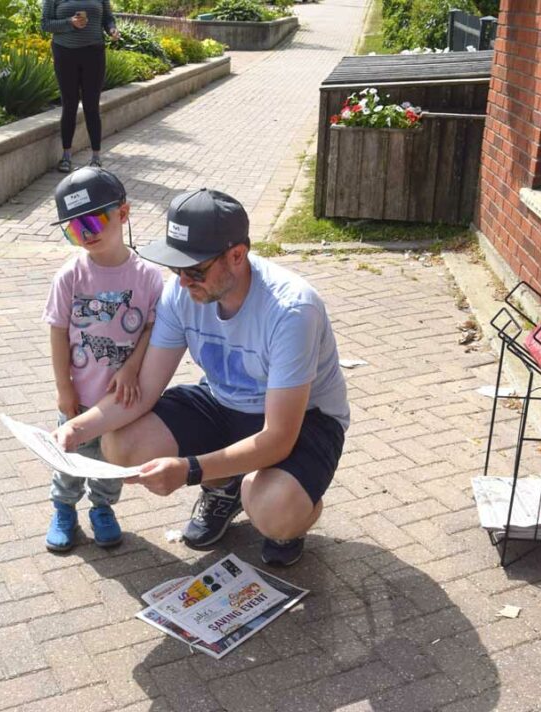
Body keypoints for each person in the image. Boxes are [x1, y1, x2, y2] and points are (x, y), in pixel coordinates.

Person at [55, 188, 349, 566]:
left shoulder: (292, 310)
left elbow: (278, 437)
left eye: (194, 271)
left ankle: (295, 508)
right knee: (120, 444)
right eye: (176, 269)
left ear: (237, 256)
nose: (182, 282)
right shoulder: (181, 295)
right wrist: (78, 429)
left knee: (273, 510)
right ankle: (225, 490)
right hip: (223, 401)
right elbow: (143, 390)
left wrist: (190, 470)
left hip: (305, 418)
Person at [42, 167, 163, 552]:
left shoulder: (147, 277)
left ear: (123, 214)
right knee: (69, 460)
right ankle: (63, 509)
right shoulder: (70, 276)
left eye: (94, 220)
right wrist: (64, 389)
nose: (86, 233)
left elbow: (151, 329)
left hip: (119, 401)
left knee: (110, 463)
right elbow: (58, 331)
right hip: (78, 395)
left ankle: (103, 509)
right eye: (74, 228)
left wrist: (131, 367)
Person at [41, 0, 121, 172]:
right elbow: (45, 24)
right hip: (65, 53)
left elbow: (107, 18)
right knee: (69, 104)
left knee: (91, 105)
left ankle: (96, 157)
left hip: (94, 53)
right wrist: (70, 23)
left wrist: (112, 29)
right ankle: (66, 156)